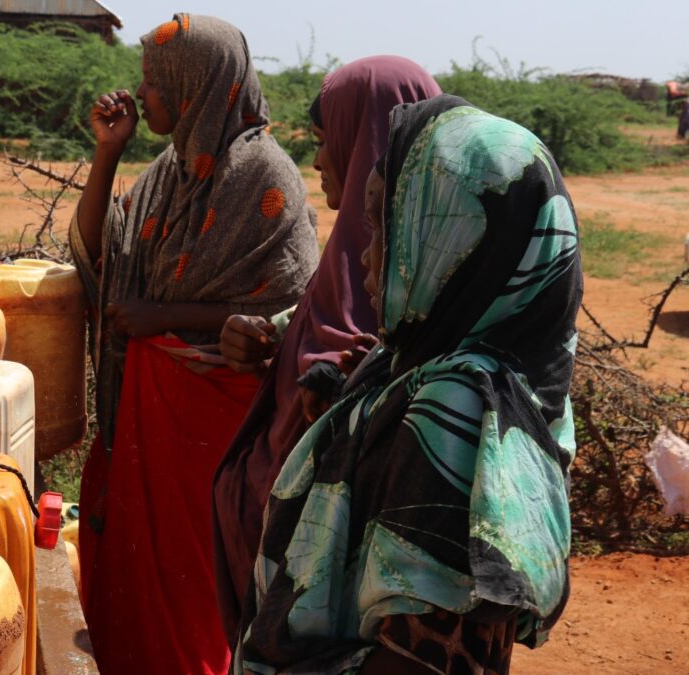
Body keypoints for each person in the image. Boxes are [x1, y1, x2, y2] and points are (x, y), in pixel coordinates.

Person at [233, 94, 581, 674]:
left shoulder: (461, 415)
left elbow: (428, 661)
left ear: (454, 242)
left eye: (386, 224)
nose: (368, 255)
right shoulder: (422, 365)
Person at [69, 13, 319, 674]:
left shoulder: (264, 176)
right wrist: (107, 152)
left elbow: (286, 312)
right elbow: (100, 255)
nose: (140, 94)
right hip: (150, 418)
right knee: (138, 604)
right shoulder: (171, 169)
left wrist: (166, 313)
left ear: (197, 85)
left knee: (194, 597)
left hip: (214, 428)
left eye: (155, 82)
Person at [213, 56, 441, 637]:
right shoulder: (347, 253)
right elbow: (318, 320)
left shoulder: (429, 280)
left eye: (325, 140)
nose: (316, 160)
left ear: (367, 140)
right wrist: (269, 333)